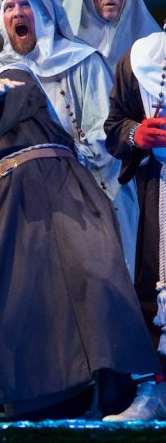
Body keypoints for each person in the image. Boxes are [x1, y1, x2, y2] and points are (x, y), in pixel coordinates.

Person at [0, 38, 160, 419]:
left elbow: (18, 98)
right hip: (9, 212)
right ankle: (52, 404)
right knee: (29, 301)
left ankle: (122, 389)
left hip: (64, 187)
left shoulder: (9, 77)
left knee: (97, 277)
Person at [0, 0, 139, 274]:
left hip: (85, 186)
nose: (17, 13)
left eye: (26, 4)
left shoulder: (82, 62)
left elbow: (105, 133)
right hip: (23, 201)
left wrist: (61, 165)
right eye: (9, 7)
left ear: (44, 13)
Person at [103, 26, 166, 419]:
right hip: (160, 188)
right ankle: (157, 395)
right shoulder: (143, 57)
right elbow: (115, 126)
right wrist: (136, 134)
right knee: (154, 290)